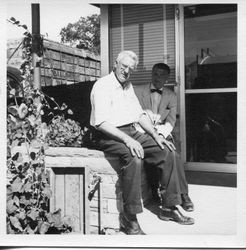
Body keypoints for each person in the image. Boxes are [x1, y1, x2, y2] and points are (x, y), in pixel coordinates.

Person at [90, 51, 194, 235]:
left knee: (166, 150)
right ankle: (129, 218)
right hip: (109, 134)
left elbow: (138, 115)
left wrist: (156, 135)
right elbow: (101, 123)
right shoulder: (102, 86)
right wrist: (128, 140)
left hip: (130, 130)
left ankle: (169, 207)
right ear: (115, 64)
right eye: (123, 67)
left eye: (130, 69)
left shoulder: (127, 86)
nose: (126, 71)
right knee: (134, 157)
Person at [135, 62, 194, 211]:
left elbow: (171, 121)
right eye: (155, 73)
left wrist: (160, 134)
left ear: (167, 78)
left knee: (173, 152)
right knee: (172, 153)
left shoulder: (171, 95)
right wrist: (151, 133)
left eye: (162, 75)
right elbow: (134, 116)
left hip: (161, 131)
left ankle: (181, 194)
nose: (157, 78)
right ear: (151, 74)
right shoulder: (137, 91)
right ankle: (183, 195)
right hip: (142, 131)